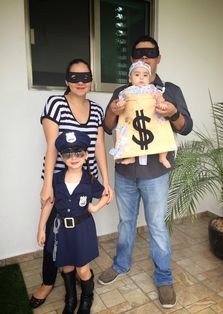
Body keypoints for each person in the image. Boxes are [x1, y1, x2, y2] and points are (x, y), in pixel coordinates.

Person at [98, 35, 193, 309]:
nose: (144, 57)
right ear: (131, 60)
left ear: (158, 58)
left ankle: (164, 278)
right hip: (126, 173)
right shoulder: (122, 92)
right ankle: (121, 264)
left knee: (157, 227)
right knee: (126, 223)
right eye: (138, 54)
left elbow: (185, 127)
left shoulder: (170, 90)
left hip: (156, 173)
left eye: (150, 53)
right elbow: (107, 126)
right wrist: (114, 112)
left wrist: (173, 112)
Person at [30, 58, 113, 309]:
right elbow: (52, 147)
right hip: (58, 182)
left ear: (91, 80)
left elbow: (99, 147)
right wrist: (46, 186)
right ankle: (48, 283)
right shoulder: (55, 103)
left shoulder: (97, 109)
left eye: (85, 77)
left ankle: (81, 275)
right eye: (74, 77)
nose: (80, 82)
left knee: (78, 230)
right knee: (54, 235)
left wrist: (106, 182)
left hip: (84, 181)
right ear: (67, 80)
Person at [37, 130, 108, 313]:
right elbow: (48, 203)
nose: (73, 157)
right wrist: (41, 229)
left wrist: (95, 207)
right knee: (67, 266)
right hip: (62, 231)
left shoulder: (90, 180)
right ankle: (70, 298)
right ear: (61, 156)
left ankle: (86, 297)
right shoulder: (56, 179)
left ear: (85, 156)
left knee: (83, 269)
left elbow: (106, 194)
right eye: (68, 154)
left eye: (78, 153)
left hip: (82, 230)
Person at [114, 60, 173, 168]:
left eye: (145, 75)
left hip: (151, 118)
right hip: (133, 119)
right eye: (137, 75)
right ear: (130, 78)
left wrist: (161, 103)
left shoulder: (152, 89)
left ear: (149, 78)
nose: (141, 78)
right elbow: (121, 100)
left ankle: (163, 156)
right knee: (127, 135)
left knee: (163, 133)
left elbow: (158, 97)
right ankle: (130, 157)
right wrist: (120, 103)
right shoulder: (126, 91)